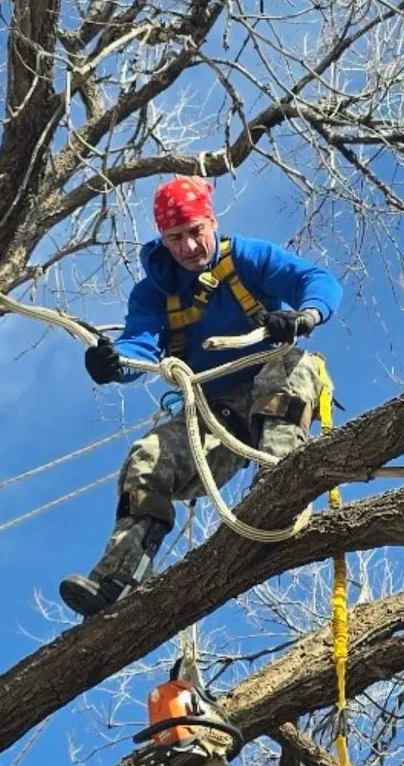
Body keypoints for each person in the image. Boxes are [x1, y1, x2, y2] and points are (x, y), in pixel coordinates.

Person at [60, 177, 342, 617]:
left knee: (295, 364)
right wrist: (115, 363)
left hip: (272, 386)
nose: (189, 246)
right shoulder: (155, 292)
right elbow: (140, 345)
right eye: (175, 237)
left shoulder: (248, 258)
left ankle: (277, 488)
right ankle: (120, 576)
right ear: (162, 238)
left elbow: (315, 280)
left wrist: (305, 315)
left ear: (212, 221)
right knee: (148, 457)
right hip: (216, 412)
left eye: (196, 231)